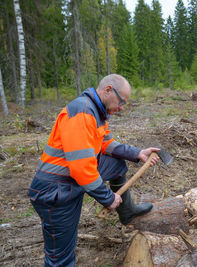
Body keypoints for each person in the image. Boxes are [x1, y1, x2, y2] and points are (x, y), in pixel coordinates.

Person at [28, 74, 160, 266]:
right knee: (60, 259)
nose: (121, 107)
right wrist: (108, 197)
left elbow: (108, 144)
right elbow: (82, 169)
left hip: (68, 181)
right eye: (121, 101)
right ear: (108, 90)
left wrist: (138, 153)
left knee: (116, 163)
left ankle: (127, 212)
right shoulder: (82, 112)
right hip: (55, 193)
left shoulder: (98, 113)